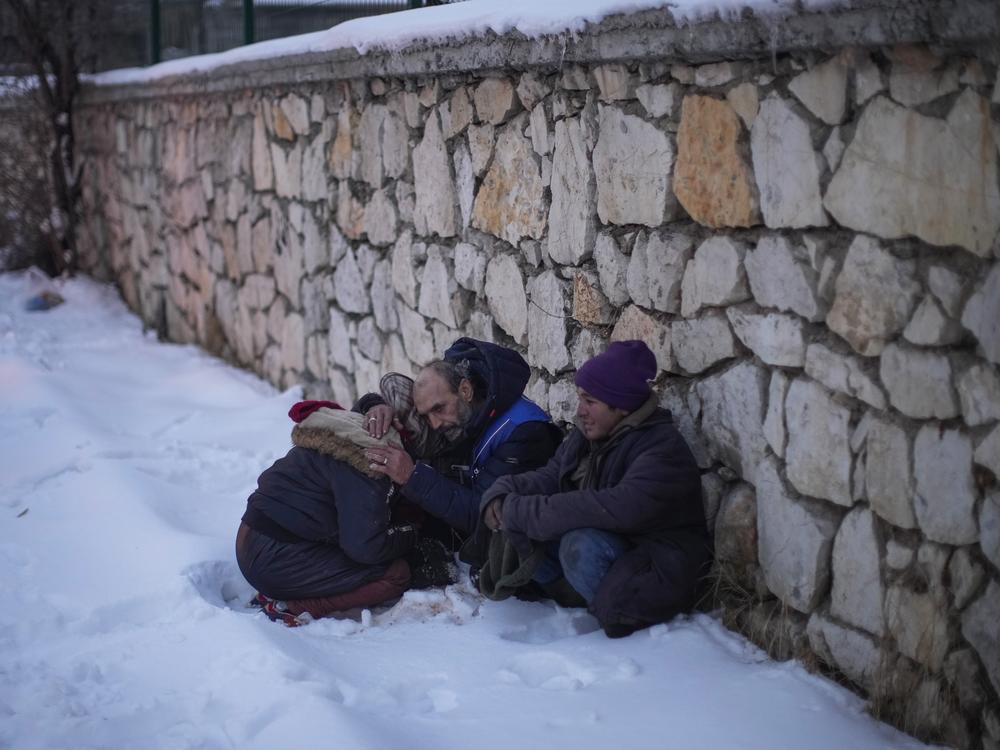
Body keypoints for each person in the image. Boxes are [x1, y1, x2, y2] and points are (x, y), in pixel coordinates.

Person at [479, 340, 712, 638]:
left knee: (579, 546)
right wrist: (503, 491)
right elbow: (551, 475)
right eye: (580, 399)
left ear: (622, 406)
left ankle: (615, 617)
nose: (581, 411)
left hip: (656, 568)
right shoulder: (589, 435)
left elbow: (615, 507)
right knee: (519, 522)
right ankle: (572, 600)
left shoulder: (662, 449)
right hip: (620, 550)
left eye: (591, 401)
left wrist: (524, 511)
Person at [235, 403, 453, 627]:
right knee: (397, 574)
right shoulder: (374, 467)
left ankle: (287, 587)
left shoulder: (353, 430)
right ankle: (295, 606)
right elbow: (366, 547)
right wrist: (412, 533)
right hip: (274, 559)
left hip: (252, 535)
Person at [358, 337, 563, 551]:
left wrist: (412, 477)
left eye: (438, 409)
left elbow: (485, 516)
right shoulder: (467, 412)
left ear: (465, 390)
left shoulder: (523, 432)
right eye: (426, 416)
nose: (434, 424)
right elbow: (408, 411)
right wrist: (377, 406)